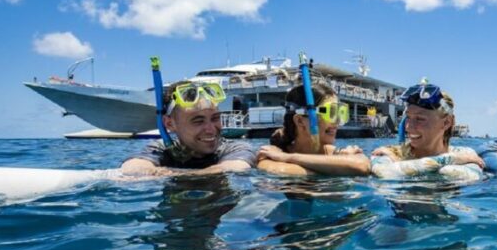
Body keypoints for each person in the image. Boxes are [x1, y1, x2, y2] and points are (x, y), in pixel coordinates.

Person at [121, 81, 256, 176]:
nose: (210, 129)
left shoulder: (235, 148)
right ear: (169, 124)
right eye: (198, 121)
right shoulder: (162, 149)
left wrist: (166, 173)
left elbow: (234, 168)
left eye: (215, 118)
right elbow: (133, 167)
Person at [371, 81, 484, 180]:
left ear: (446, 123)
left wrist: (401, 166)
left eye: (420, 119)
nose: (408, 127)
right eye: (408, 118)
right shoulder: (388, 152)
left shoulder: (465, 153)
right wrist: (452, 159)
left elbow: (466, 176)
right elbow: (383, 172)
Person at [256, 83, 370, 176]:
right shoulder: (272, 153)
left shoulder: (334, 152)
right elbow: (276, 170)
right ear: (300, 121)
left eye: (340, 113)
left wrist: (289, 158)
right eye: (330, 113)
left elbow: (362, 165)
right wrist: (340, 167)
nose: (337, 122)